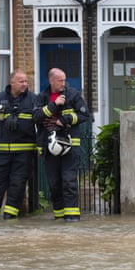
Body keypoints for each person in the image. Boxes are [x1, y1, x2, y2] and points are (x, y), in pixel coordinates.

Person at [33, 68, 90, 222]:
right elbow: (36, 117)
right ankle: (58, 216)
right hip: (49, 146)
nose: (63, 83)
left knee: (69, 181)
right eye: (60, 80)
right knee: (54, 183)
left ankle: (72, 217)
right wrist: (53, 105)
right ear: (51, 80)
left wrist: (63, 121)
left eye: (64, 80)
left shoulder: (73, 95)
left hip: (70, 146)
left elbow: (85, 114)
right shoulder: (42, 97)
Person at [0, 70, 37, 219]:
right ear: (12, 83)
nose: (25, 84)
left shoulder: (33, 100)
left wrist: (41, 145)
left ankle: (10, 217)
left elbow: (42, 123)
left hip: (24, 154)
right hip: (3, 153)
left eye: (26, 81)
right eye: (21, 81)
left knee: (17, 186)